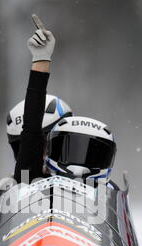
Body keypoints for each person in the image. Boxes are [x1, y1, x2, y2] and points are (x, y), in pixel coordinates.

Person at [12, 16, 116, 186]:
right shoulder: (30, 177)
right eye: (70, 150)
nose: (78, 166)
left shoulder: (110, 191)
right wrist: (40, 60)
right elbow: (31, 130)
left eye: (91, 155)